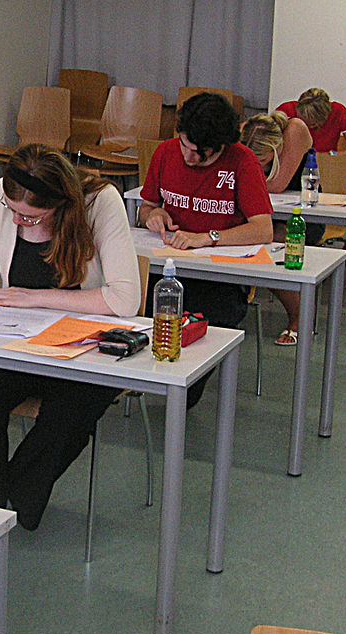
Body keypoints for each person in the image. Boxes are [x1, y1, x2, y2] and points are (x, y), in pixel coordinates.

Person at [0, 143, 140, 530]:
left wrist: (35, 298)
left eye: (30, 218)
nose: (17, 221)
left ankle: (20, 493)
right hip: (19, 342)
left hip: (84, 348)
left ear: (60, 205)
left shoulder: (100, 202)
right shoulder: (0, 196)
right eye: (13, 211)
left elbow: (125, 299)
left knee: (69, 412)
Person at [139, 92, 273, 406]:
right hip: (167, 269)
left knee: (198, 334)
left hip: (218, 278)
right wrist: (154, 216)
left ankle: (179, 393)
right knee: (137, 316)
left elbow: (263, 229)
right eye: (184, 144)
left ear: (220, 147)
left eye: (199, 152)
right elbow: (147, 207)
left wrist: (207, 237)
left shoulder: (242, 161)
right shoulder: (166, 152)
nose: (188, 156)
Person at [240, 111, 321, 346]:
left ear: (275, 151)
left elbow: (276, 184)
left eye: (261, 161)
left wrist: (245, 176)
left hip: (301, 218)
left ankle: (299, 316)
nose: (255, 165)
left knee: (267, 246)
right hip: (266, 213)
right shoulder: (250, 129)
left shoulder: (294, 130)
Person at [276, 88, 346, 161]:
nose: (309, 128)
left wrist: (329, 156)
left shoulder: (338, 111)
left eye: (313, 125)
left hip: (326, 170)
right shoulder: (285, 112)